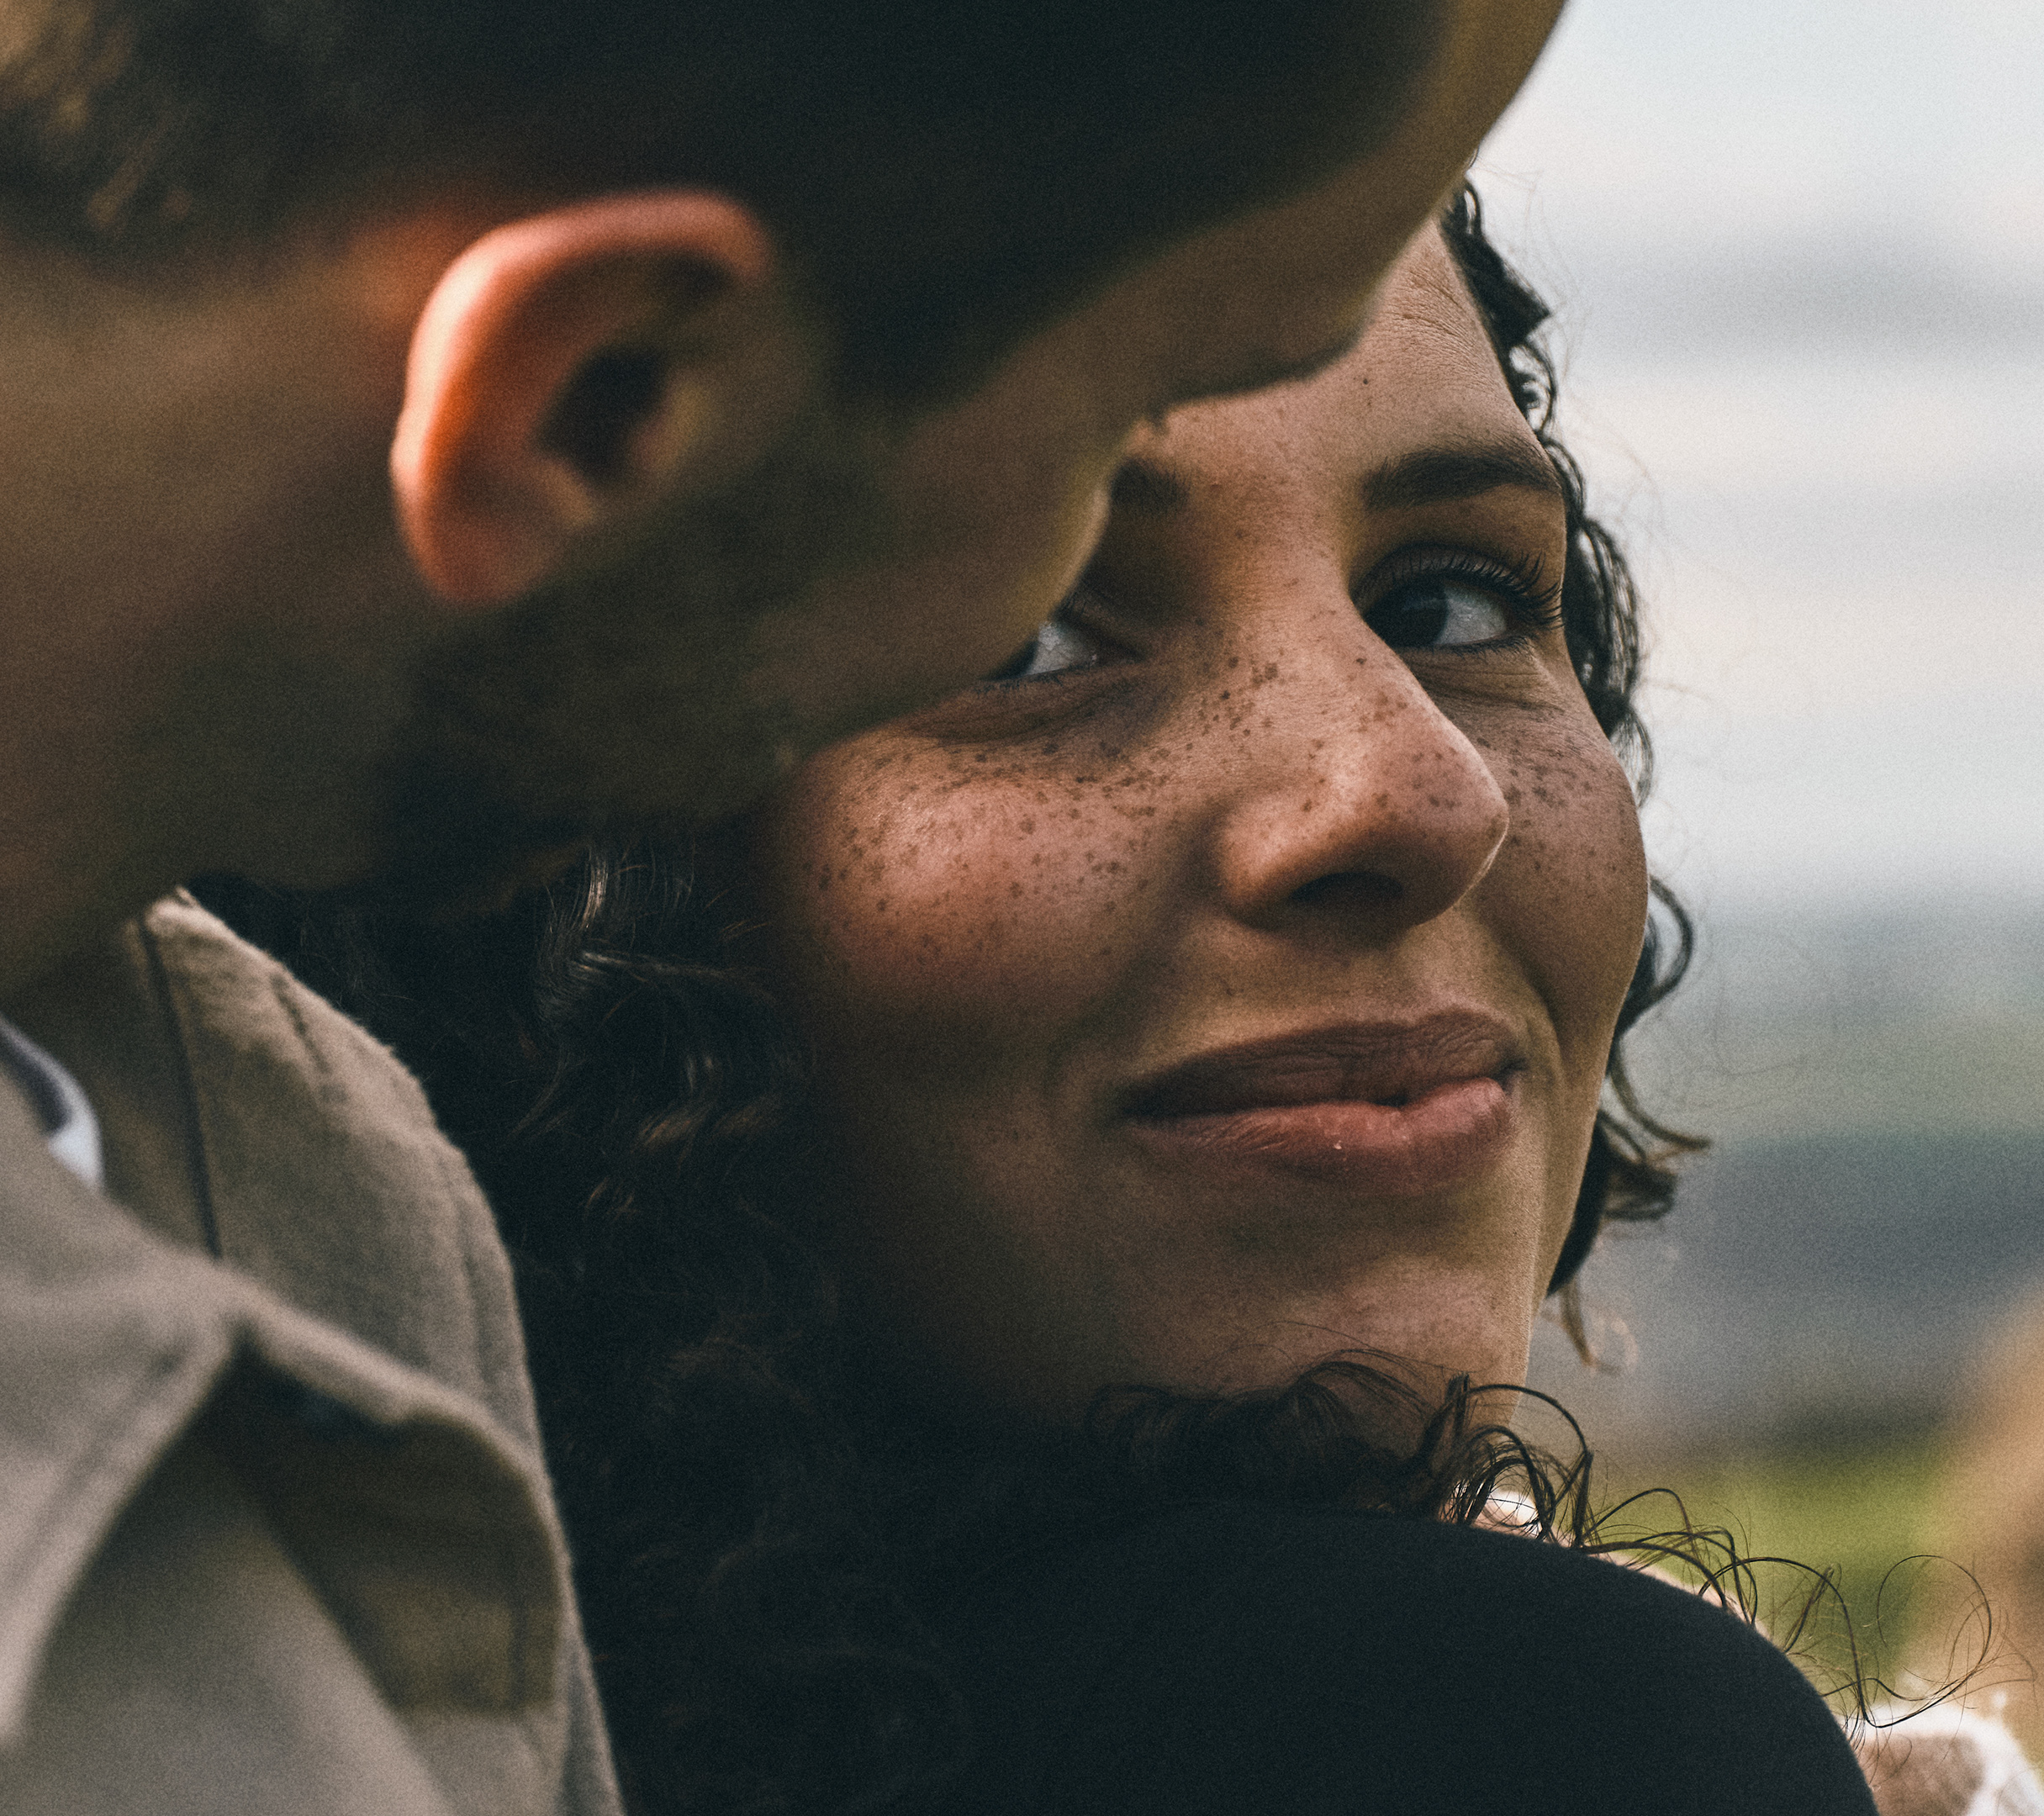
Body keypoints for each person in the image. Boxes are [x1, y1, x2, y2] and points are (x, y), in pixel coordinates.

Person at [0, 4, 1563, 1812]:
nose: (1419, 792)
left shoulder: (277, 1155)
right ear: (600, 400)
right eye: (1048, 600)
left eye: (1452, 600)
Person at [222, 193, 1917, 1814]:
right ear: (536, 851)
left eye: (1448, 602)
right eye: (1025, 637)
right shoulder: (1508, 1735)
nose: (1414, 786)